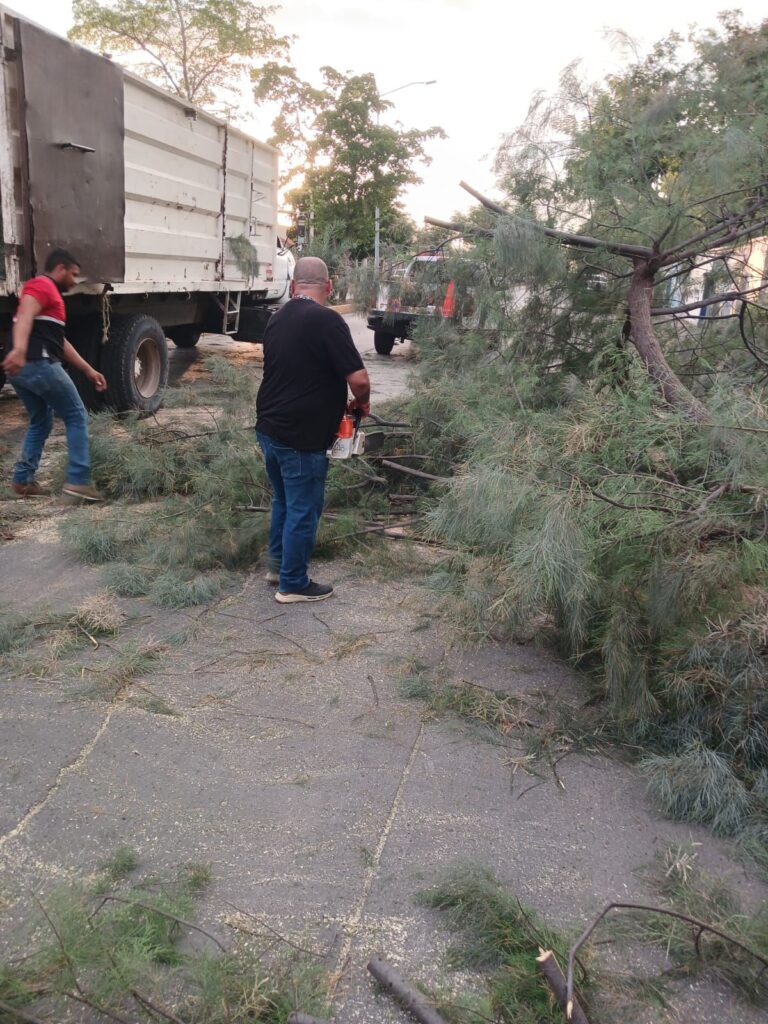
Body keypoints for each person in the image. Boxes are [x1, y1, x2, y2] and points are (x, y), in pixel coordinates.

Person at [256, 256, 371, 603]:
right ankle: (292, 583)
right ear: (329, 287)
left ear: (293, 286)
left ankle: (277, 566)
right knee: (304, 507)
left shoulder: (276, 319)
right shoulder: (327, 321)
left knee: (284, 501)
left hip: (270, 429)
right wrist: (359, 403)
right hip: (300, 437)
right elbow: (359, 379)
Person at [2, 249, 106, 502]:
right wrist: (19, 349)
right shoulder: (42, 285)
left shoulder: (53, 300)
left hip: (23, 369)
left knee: (41, 420)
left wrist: (89, 370)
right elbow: (25, 313)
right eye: (73, 274)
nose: (75, 281)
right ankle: (79, 482)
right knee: (76, 415)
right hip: (38, 363)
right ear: (60, 268)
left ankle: (22, 480)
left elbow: (62, 343)